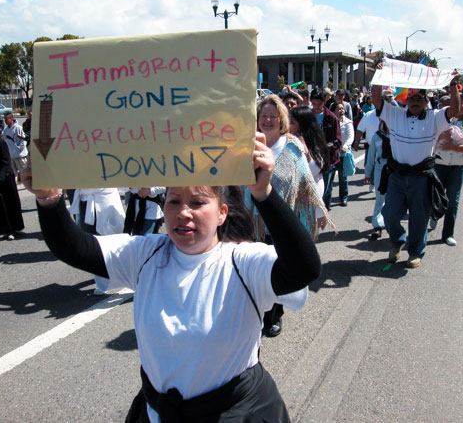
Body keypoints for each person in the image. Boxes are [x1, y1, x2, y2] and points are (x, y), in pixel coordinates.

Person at [22, 132, 322, 423]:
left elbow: (304, 268)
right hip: (158, 412)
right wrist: (50, 200)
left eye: (198, 202)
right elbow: (74, 247)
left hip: (236, 413)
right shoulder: (146, 254)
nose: (183, 213)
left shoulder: (244, 261)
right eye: (174, 201)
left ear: (222, 213)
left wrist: (263, 194)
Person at [252, 95, 328, 338]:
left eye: (273, 116)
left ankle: (274, 315)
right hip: (250, 225)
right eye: (263, 115)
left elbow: (307, 183)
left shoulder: (292, 147)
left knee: (277, 272)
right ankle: (254, 314)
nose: (267, 120)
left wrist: (318, 211)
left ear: (281, 119)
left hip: (280, 224)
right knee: (254, 273)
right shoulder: (247, 144)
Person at [372, 67, 461, 268]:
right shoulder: (394, 114)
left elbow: (455, 109)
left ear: (426, 102)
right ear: (405, 101)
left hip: (421, 177)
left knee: (419, 218)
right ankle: (397, 241)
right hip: (397, 175)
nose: (415, 102)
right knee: (389, 214)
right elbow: (377, 100)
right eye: (412, 98)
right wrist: (379, 77)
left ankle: (416, 252)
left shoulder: (435, 117)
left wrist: (454, 84)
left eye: (420, 99)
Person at [430, 96, 463, 246]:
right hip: (439, 163)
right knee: (436, 195)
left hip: (459, 166)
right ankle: (434, 215)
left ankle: (448, 234)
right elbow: (430, 141)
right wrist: (441, 138)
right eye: (459, 103)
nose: (461, 106)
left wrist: (453, 147)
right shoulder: (441, 120)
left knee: (453, 200)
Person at [69, 188, 126, 295]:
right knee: (92, 244)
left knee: (113, 242)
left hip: (106, 200)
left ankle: (121, 274)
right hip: (85, 199)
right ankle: (102, 281)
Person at [289, 106, 331, 225]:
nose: (286, 125)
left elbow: (310, 172)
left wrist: (304, 151)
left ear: (302, 125)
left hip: (309, 207)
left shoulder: (315, 145)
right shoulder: (285, 141)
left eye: (291, 122)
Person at [310, 89, 342, 211]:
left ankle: (324, 211)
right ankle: (313, 212)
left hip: (328, 159)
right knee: (312, 187)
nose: (316, 107)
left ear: (324, 102)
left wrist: (326, 147)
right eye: (314, 104)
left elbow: (338, 140)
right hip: (311, 158)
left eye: (319, 104)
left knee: (325, 188)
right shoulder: (307, 116)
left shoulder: (332, 118)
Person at [364, 120, 390, 239]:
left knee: (394, 199)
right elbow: (371, 156)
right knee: (380, 198)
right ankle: (377, 225)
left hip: (396, 170)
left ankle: (390, 224)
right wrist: (368, 174)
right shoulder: (377, 136)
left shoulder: (398, 134)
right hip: (381, 169)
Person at [333, 102, 355, 207]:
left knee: (343, 178)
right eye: (339, 109)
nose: (342, 111)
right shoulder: (330, 122)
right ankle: (326, 199)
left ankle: (343, 198)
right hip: (332, 154)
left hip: (343, 153)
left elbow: (351, 136)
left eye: (343, 109)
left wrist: (345, 146)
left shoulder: (348, 122)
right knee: (328, 178)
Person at [2, 112, 28, 181]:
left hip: (20, 156)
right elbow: (4, 141)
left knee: (25, 173)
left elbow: (23, 140)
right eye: (4, 119)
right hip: (11, 156)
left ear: (11, 119)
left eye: (7, 119)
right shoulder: (6, 130)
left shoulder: (18, 128)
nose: (5, 121)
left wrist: (18, 148)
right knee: (13, 174)